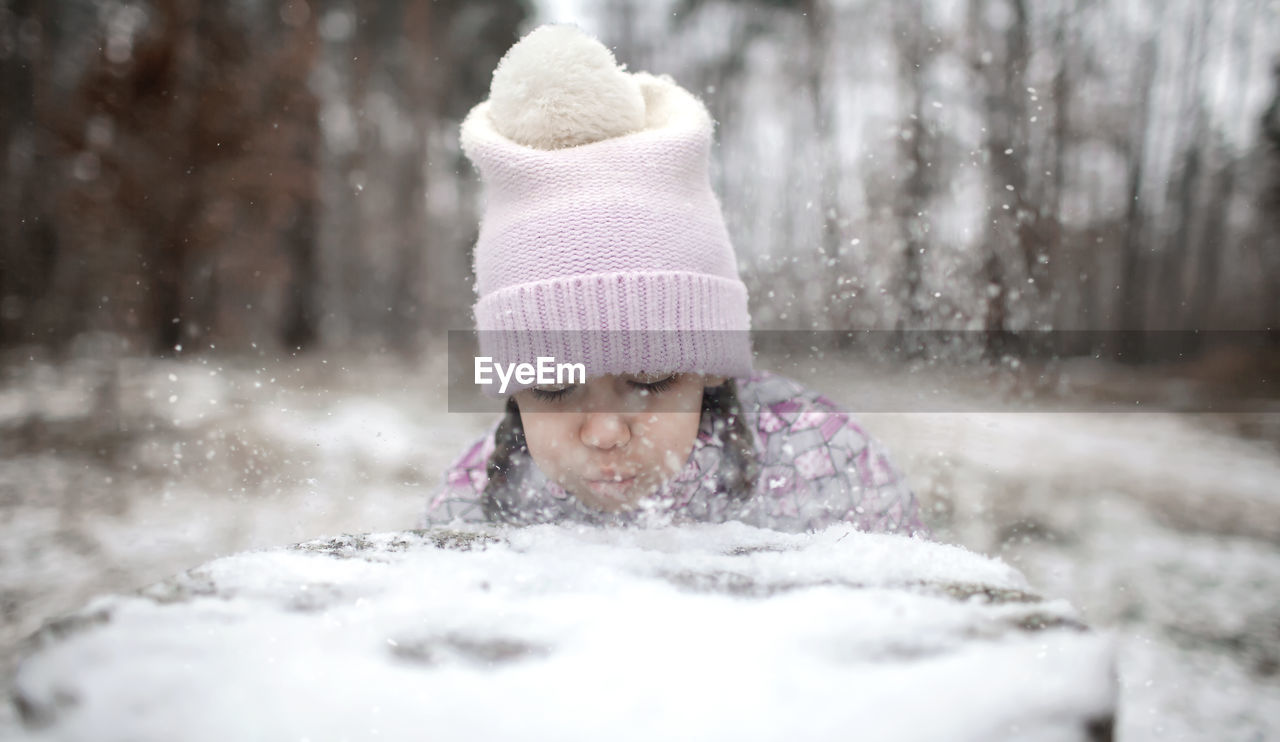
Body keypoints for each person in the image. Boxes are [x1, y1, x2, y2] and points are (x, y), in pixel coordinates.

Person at [421, 23, 930, 537]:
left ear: (710, 367)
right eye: (553, 387)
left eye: (648, 380)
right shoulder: (478, 504)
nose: (604, 431)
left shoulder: (823, 464)